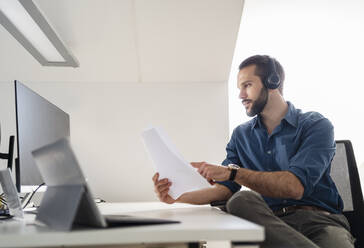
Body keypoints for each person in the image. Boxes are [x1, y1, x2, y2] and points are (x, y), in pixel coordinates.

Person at [152, 55, 354, 248]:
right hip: (270, 224)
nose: (241, 95)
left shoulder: (315, 125)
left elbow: (295, 187)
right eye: (239, 88)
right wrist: (177, 196)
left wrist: (234, 172)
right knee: (241, 199)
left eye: (247, 85)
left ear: (272, 82)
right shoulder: (241, 135)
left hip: (321, 223)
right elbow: (223, 189)